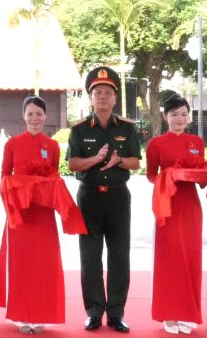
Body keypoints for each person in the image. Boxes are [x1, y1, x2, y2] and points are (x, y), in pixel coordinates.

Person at [0, 95, 83, 334]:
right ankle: (21, 316)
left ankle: (39, 315)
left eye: (39, 114)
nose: (34, 118)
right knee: (21, 265)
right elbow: (4, 179)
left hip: (43, 216)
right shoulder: (12, 144)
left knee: (42, 265)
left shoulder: (51, 146)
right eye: (30, 114)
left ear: (45, 116)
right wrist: (15, 200)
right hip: (19, 216)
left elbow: (53, 179)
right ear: (24, 116)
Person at [66, 66, 141, 333]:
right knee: (90, 257)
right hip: (89, 199)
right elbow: (73, 164)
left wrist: (119, 160)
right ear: (90, 97)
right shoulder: (80, 129)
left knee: (120, 256)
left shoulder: (128, 129)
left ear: (115, 97)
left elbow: (136, 162)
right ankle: (94, 311)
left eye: (107, 92)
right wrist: (95, 159)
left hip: (119, 198)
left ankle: (117, 313)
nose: (102, 97)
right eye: (97, 92)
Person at [145, 95, 206, 335]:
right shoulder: (156, 144)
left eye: (183, 114)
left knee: (191, 258)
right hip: (167, 205)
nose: (179, 119)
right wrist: (167, 177)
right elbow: (151, 175)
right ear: (165, 117)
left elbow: (200, 171)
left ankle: (188, 314)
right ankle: (169, 313)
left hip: (190, 205)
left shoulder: (197, 141)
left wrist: (203, 177)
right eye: (174, 114)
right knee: (169, 260)